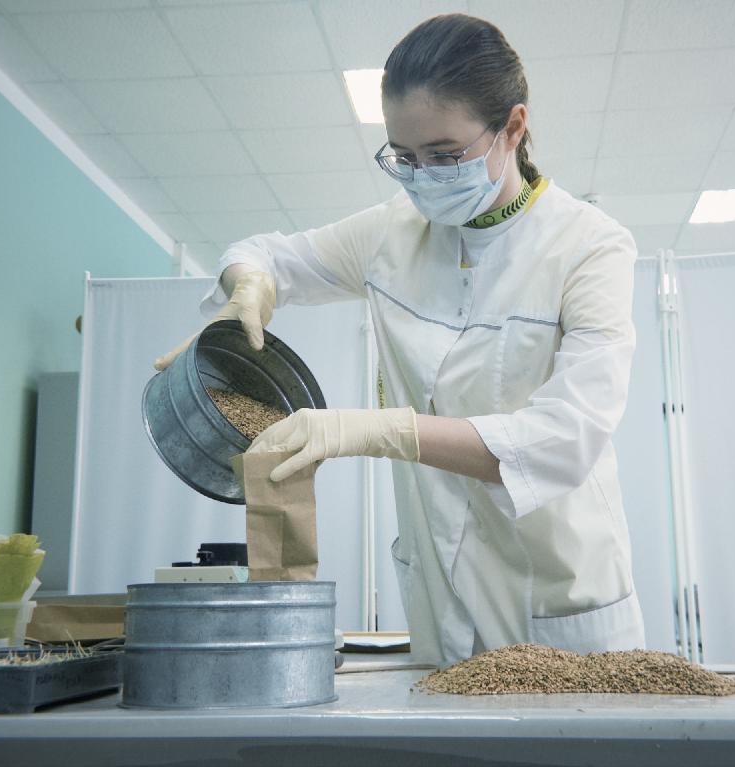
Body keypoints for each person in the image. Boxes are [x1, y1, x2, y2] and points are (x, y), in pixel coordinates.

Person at [156, 13, 644, 666]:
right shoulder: (392, 233)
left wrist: (379, 430)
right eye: (404, 158)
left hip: (560, 602)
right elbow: (263, 253)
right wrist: (250, 286)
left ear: (513, 127)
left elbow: (565, 438)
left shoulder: (589, 246)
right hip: (442, 603)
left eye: (444, 156)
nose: (422, 179)